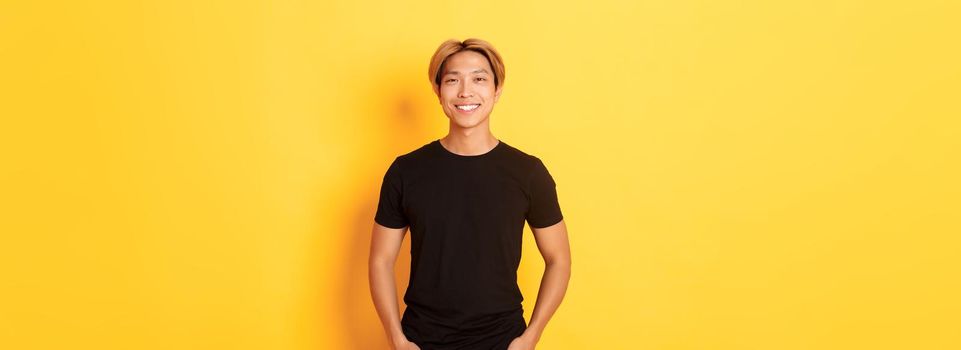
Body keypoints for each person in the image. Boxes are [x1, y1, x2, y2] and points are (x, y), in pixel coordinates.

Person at [368, 38, 572, 350]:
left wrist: (530, 337)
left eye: (479, 79)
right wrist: (397, 339)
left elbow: (559, 259)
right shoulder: (406, 171)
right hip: (422, 340)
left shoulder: (528, 173)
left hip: (502, 340)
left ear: (497, 90)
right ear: (438, 91)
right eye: (453, 80)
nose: (466, 91)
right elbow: (381, 260)